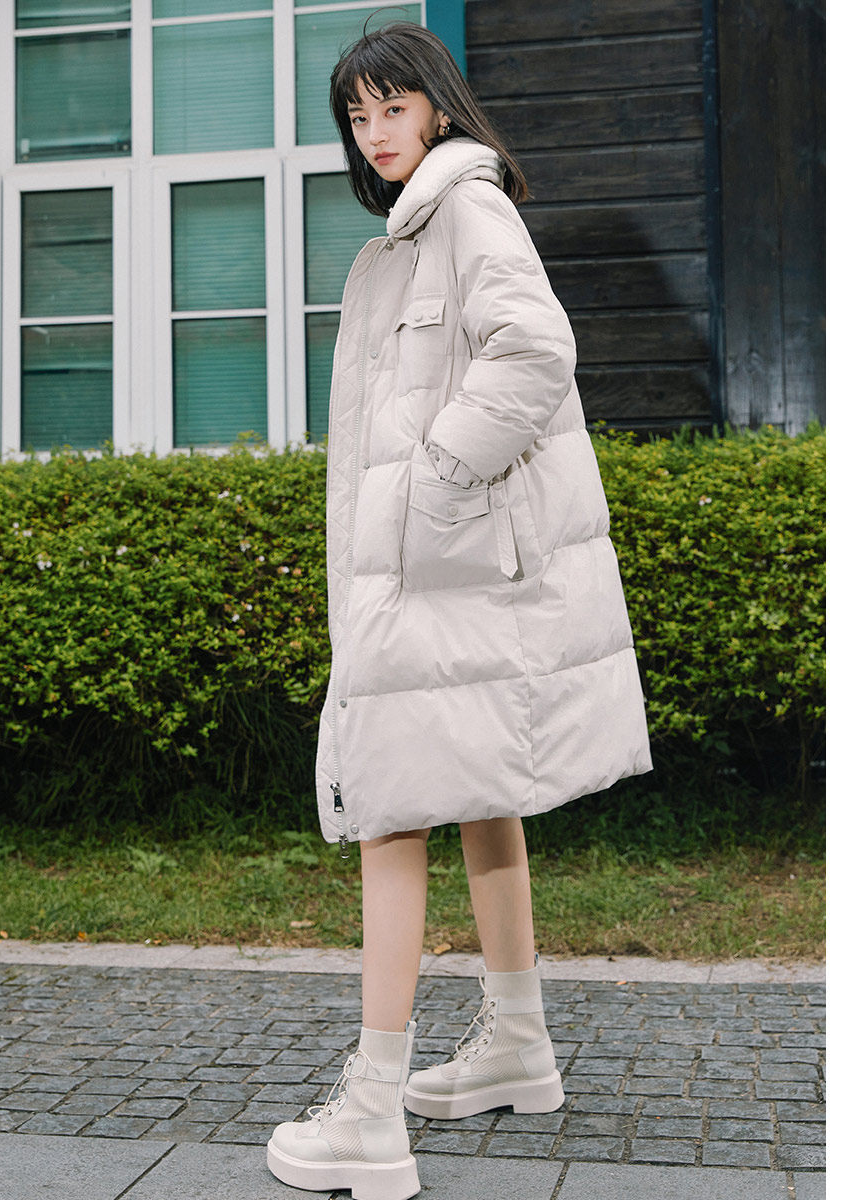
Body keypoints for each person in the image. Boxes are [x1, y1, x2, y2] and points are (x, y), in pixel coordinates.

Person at [266, 22, 652, 1200]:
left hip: (441, 567)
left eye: (392, 108)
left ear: (437, 106)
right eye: (357, 116)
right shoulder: (419, 230)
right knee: (481, 793)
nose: (374, 133)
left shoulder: (467, 209)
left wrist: (437, 477)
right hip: (446, 573)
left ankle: (371, 1115)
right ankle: (517, 1042)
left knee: (391, 807)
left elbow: (534, 352)